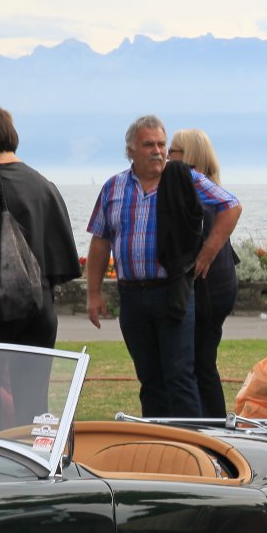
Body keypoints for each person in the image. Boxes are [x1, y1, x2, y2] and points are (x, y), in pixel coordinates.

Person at [89, 115, 242, 418]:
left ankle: (193, 443)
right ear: (131, 150)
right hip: (131, 296)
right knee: (150, 380)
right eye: (149, 145)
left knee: (180, 377)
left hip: (171, 291)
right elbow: (100, 240)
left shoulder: (184, 179)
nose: (158, 151)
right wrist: (93, 293)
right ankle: (157, 439)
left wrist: (208, 253)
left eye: (162, 144)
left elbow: (231, 206)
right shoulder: (113, 187)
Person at [0, 103, 82, 431]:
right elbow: (61, 255)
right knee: (33, 404)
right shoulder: (43, 183)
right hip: (39, 309)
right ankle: (32, 458)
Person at [168, 128, 243, 418]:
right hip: (219, 286)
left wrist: (204, 255)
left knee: (200, 362)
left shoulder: (195, 188)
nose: (167, 156)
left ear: (187, 155)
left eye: (173, 151)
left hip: (208, 289)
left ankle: (211, 423)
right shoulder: (210, 188)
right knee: (202, 361)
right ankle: (210, 420)